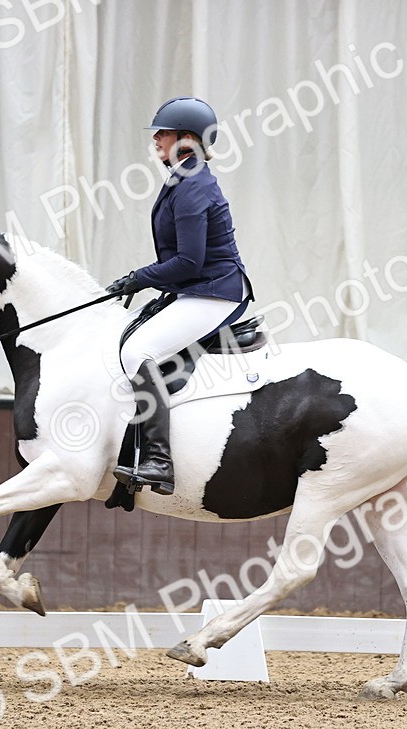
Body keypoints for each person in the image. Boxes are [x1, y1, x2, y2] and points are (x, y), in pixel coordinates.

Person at [106, 96, 254, 496]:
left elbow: (189, 262)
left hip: (214, 293)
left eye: (163, 133)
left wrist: (139, 278)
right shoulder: (185, 178)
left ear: (186, 138)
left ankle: (158, 460)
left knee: (139, 352)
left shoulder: (193, 185)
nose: (155, 139)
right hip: (197, 289)